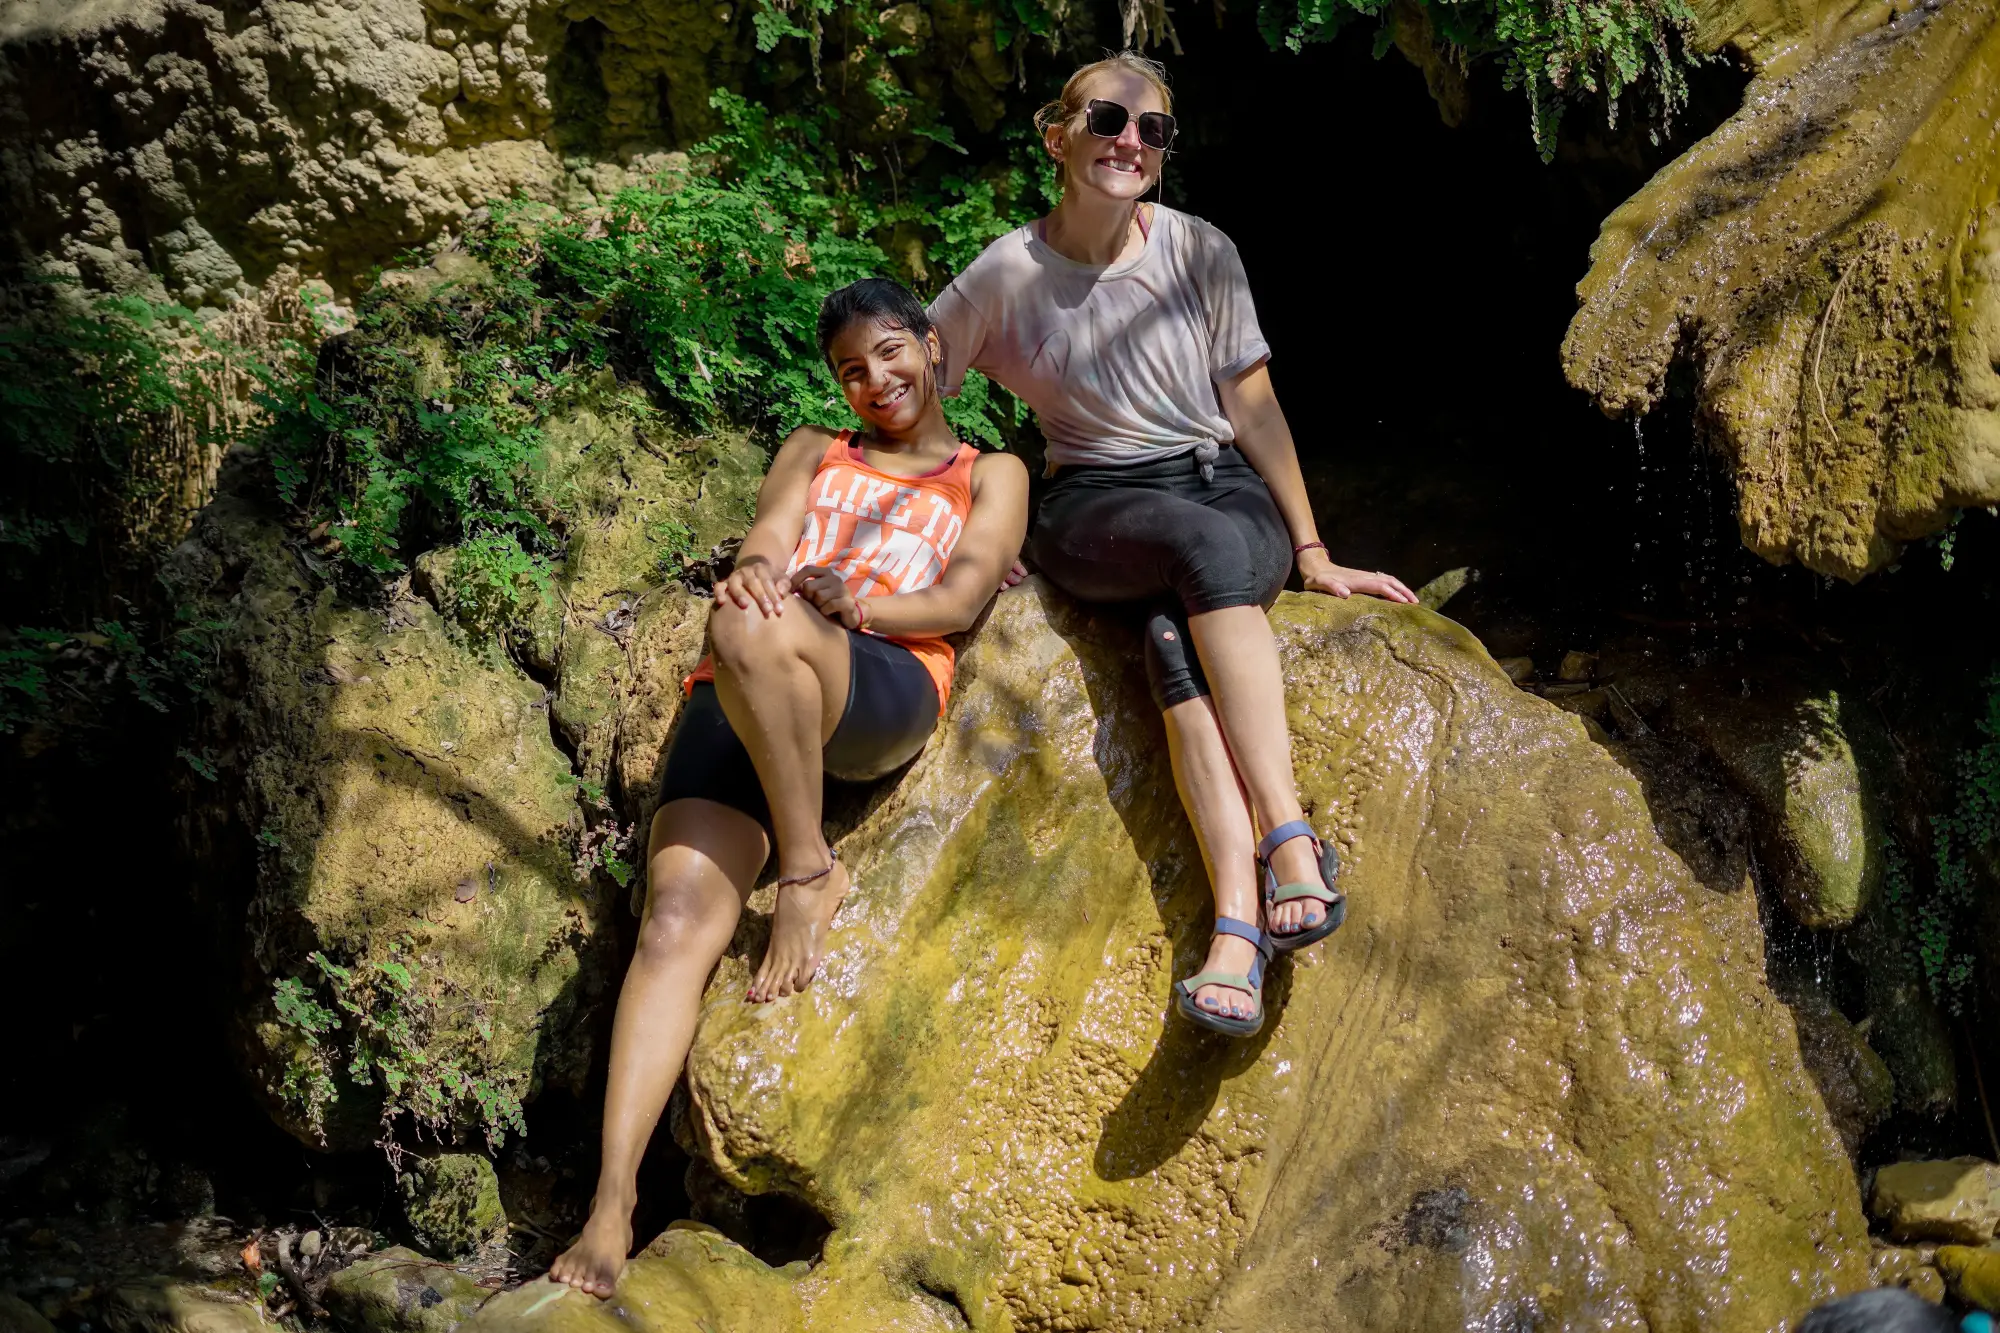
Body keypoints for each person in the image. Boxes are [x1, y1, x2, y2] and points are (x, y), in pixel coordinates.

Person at [548, 278, 1030, 1297]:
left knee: (753, 627)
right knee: (673, 920)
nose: (875, 381)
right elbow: (769, 537)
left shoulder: (991, 471)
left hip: (878, 676)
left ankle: (808, 869)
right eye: (851, 369)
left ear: (932, 347)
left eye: (890, 353)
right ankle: (612, 1201)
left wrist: (856, 604)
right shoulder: (814, 448)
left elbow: (960, 592)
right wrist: (759, 575)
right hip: (747, 677)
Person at [928, 51, 1417, 1038]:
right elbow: (912, 386)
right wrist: (969, 513)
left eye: (1152, 130)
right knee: (1195, 550)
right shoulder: (1006, 271)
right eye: (1108, 121)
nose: (1130, 142)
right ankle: (1290, 838)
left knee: (1170, 633)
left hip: (1220, 485)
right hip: (1095, 504)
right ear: (1056, 137)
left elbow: (1252, 406)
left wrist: (1312, 548)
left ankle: (1235, 930)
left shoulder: (1199, 250)